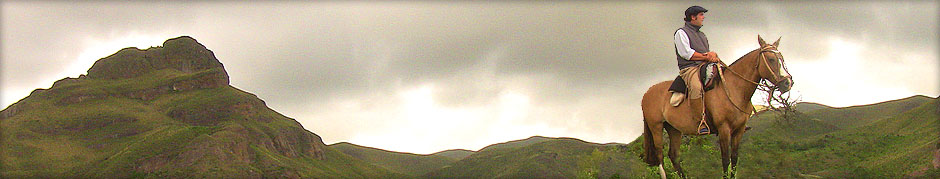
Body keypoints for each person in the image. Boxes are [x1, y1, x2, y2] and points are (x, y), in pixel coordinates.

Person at [669, 5, 721, 134]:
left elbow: (706, 53)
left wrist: (712, 55)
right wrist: (706, 56)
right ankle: (700, 122)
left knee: (725, 78)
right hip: (689, 68)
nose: (703, 17)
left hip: (704, 65)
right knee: (696, 88)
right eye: (701, 15)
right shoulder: (681, 32)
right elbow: (686, 53)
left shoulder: (702, 35)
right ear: (693, 17)